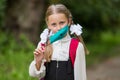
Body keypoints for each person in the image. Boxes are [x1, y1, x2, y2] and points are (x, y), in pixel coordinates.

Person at [29, 4, 87, 80]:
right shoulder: (43, 44)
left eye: (62, 23)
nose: (58, 28)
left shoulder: (77, 47)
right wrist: (38, 62)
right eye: (54, 24)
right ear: (48, 25)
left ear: (69, 22)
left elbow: (80, 76)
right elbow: (37, 75)